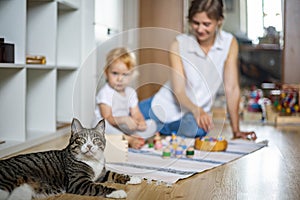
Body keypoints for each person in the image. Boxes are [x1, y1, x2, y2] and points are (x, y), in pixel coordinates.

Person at [139, 0, 257, 140]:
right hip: (162, 106)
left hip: (192, 117)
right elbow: (179, 91)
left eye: (207, 24)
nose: (200, 29)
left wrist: (236, 130)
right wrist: (197, 110)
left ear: (219, 21)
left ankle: (156, 129)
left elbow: (231, 88)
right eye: (196, 23)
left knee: (199, 129)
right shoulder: (179, 44)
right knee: (114, 120)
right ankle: (154, 127)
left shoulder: (229, 43)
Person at [94, 47, 157, 149]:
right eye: (115, 73)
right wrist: (124, 119)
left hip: (123, 127)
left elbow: (136, 113)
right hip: (109, 126)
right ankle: (130, 140)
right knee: (102, 126)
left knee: (151, 124)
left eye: (125, 74)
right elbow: (107, 117)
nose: (120, 79)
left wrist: (140, 122)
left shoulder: (130, 92)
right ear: (106, 72)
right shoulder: (105, 92)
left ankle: (130, 137)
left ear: (131, 75)